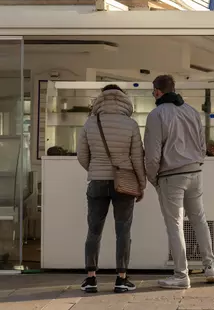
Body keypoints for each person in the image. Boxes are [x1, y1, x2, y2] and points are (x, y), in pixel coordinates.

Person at [145, 75, 214, 289]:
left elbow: (152, 153)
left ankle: (181, 275)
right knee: (199, 220)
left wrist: (153, 178)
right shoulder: (191, 111)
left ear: (157, 91)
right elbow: (202, 144)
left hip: (171, 176)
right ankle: (210, 267)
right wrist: (196, 163)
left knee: (175, 225)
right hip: (195, 172)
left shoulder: (156, 115)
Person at [77, 85, 146, 294]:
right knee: (123, 230)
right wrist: (141, 184)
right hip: (124, 183)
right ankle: (121, 279)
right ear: (124, 100)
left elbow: (81, 155)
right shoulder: (131, 124)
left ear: (100, 99)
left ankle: (91, 279)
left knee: (94, 230)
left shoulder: (90, 123)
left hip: (97, 182)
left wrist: (96, 170)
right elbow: (137, 158)